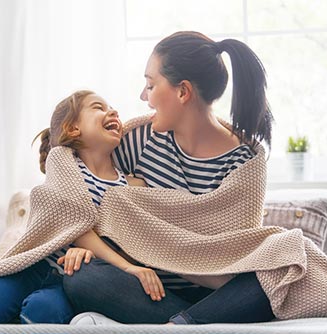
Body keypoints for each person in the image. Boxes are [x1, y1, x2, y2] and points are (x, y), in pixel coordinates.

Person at [63, 31, 276, 325]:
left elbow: (236, 256)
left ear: (182, 92)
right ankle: (189, 325)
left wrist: (170, 245)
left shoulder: (246, 163)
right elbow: (80, 187)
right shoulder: (140, 140)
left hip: (219, 295)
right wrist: (83, 244)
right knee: (83, 278)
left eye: (150, 85)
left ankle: (179, 325)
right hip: (151, 291)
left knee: (278, 272)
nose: (143, 96)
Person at [0, 90, 165, 324]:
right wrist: (125, 267)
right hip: (36, 267)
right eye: (99, 107)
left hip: (72, 278)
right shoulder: (63, 162)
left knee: (41, 313)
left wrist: (97, 259)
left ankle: (24, 313)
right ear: (73, 129)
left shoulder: (132, 185)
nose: (113, 112)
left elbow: (135, 241)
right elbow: (73, 221)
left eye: (112, 108)